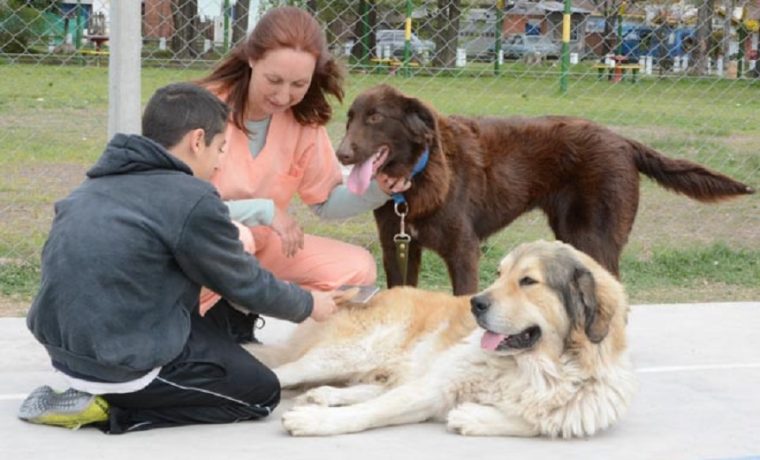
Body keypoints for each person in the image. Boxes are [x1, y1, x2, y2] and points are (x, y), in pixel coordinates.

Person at [18, 82, 339, 434]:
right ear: (197, 140)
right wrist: (309, 304)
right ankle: (109, 409)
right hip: (124, 367)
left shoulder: (93, 187)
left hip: (66, 352)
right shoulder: (190, 197)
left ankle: (92, 391)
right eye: (220, 149)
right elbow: (243, 282)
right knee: (260, 393)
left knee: (215, 337)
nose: (220, 162)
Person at [194, 6, 410, 326]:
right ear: (252, 58)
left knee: (358, 267)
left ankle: (253, 313)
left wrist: (380, 188)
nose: (284, 96)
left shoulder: (303, 123)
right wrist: (263, 211)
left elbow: (326, 202)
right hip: (201, 249)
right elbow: (174, 206)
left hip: (263, 249)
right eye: (274, 80)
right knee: (239, 238)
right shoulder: (201, 106)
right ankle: (211, 321)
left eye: (299, 83)